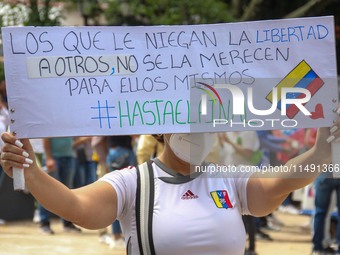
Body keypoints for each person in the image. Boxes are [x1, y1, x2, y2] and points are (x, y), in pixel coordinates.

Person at [0, 121, 339, 254]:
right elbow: (78, 208)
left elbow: (285, 180)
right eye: (185, 120)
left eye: (204, 120)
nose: (197, 130)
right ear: (159, 130)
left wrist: (323, 147)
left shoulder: (227, 178)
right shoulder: (133, 182)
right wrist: (31, 173)